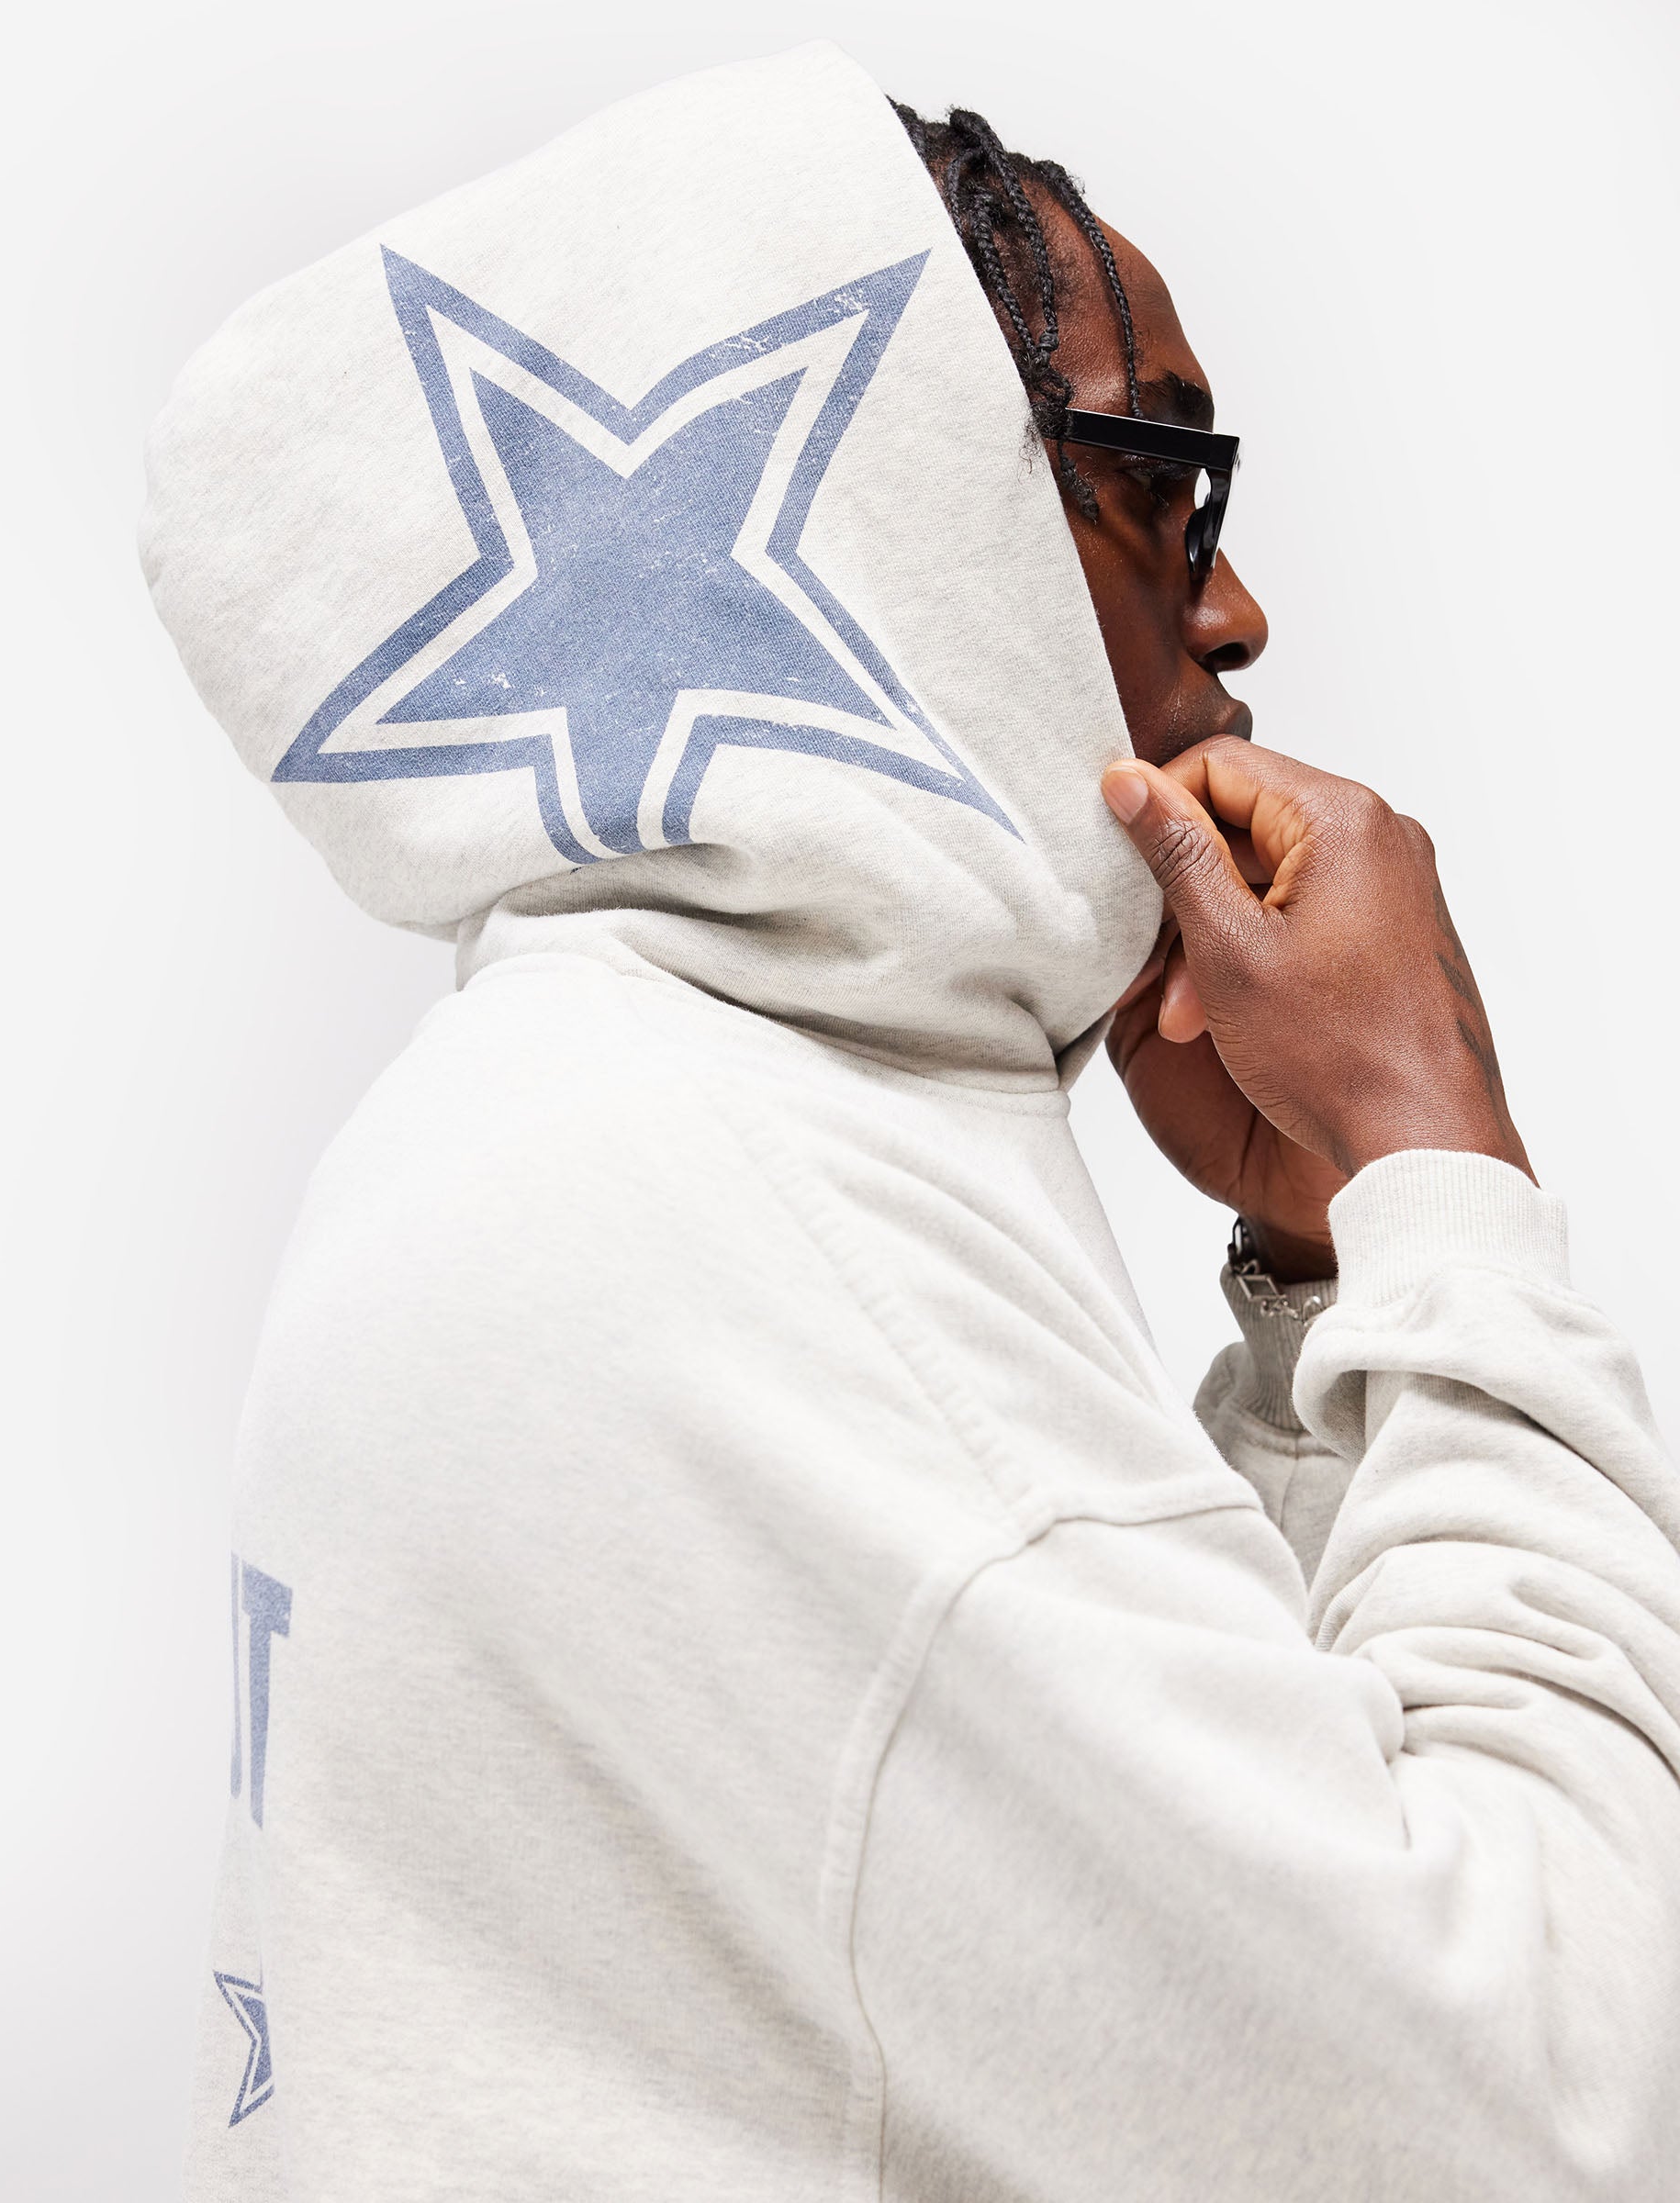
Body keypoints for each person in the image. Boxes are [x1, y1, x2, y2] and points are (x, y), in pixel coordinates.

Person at [142, 43, 1680, 2203]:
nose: (1234, 607)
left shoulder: (568, 1118)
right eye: (1162, 474)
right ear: (900, 498)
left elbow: (1195, 1910)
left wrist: (1320, 1280)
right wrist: (1448, 1173)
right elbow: (1545, 2105)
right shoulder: (766, 1254)